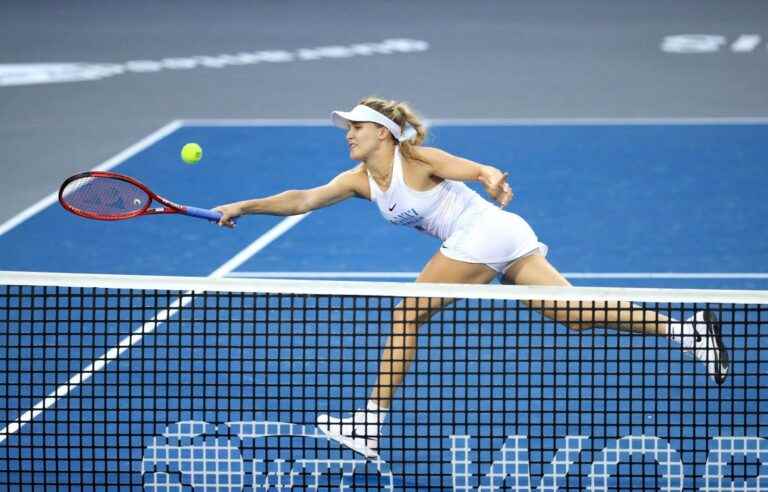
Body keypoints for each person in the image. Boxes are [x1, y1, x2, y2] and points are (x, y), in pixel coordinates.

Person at [213, 96, 730, 458]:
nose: (347, 133)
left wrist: (488, 175)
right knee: (571, 315)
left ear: (383, 133)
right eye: (346, 127)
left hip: (483, 230)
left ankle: (368, 423)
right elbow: (301, 199)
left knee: (407, 314)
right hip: (500, 234)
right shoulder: (358, 180)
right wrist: (245, 204)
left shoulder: (414, 159)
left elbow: (465, 166)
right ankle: (686, 330)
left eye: (356, 126)